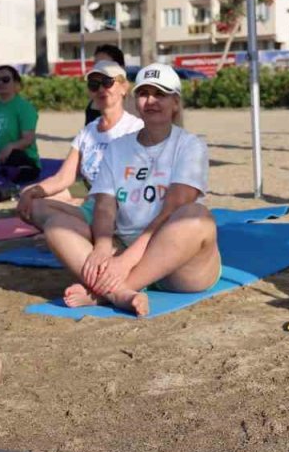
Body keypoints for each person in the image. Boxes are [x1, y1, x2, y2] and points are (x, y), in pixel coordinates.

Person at [40, 64, 221, 317]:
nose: (151, 100)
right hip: (121, 246)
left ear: (175, 103)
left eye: (160, 94)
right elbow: (104, 204)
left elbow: (174, 208)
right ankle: (121, 294)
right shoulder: (118, 147)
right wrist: (102, 246)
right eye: (144, 93)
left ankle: (103, 292)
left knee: (198, 217)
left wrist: (127, 262)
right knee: (56, 225)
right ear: (136, 101)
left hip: (178, 265)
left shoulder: (191, 145)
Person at [17, 59, 142, 228]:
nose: (101, 89)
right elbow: (63, 177)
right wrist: (31, 193)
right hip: (91, 207)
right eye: (94, 85)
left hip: (119, 208)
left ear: (124, 87)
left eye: (107, 82)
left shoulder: (135, 128)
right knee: (32, 203)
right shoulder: (88, 132)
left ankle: (68, 232)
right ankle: (70, 231)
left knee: (57, 221)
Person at [84, 44, 126, 125]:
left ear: (121, 68)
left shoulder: (138, 107)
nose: (100, 68)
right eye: (96, 65)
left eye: (105, 64)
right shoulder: (93, 105)